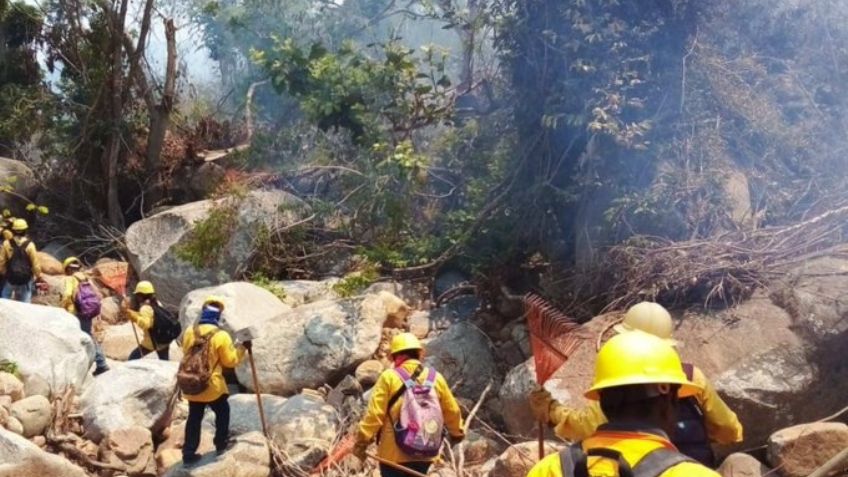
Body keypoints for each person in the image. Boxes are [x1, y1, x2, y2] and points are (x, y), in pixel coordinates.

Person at [529, 302, 742, 467]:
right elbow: (730, 430)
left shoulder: (621, 380)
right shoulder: (691, 376)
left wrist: (552, 411)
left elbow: (586, 425)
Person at [528, 331, 720, 477]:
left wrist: (550, 411)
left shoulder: (549, 469)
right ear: (668, 402)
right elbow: (731, 430)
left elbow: (579, 423)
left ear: (601, 401)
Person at [353, 333, 465, 477]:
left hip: (393, 455)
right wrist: (457, 434)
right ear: (419, 354)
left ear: (396, 357)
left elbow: (375, 415)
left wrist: (361, 442)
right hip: (426, 452)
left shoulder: (389, 377)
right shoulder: (436, 378)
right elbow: (452, 411)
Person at [180, 297, 249, 465]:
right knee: (222, 412)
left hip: (192, 383)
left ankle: (188, 454)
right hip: (212, 386)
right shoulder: (221, 336)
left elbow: (185, 352)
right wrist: (242, 349)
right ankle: (220, 445)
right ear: (218, 317)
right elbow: (230, 361)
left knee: (194, 417)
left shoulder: (190, 331)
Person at [61, 257, 109, 376]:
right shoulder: (86, 278)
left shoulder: (70, 279)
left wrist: (62, 308)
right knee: (88, 336)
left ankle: (101, 363)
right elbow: (97, 295)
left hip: (75, 313)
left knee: (77, 338)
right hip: (87, 312)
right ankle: (99, 363)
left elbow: (67, 294)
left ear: (67, 269)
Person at [121, 281, 170, 360]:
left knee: (132, 358)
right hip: (163, 339)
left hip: (152, 342)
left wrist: (135, 317)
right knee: (164, 361)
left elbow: (146, 323)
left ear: (141, 295)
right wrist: (133, 314)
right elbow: (151, 317)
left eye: (137, 295)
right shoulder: (157, 303)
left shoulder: (145, 308)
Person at [0, 218, 42, 302]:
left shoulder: (6, 243)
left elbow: (1, 262)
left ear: (13, 230)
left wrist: (5, 274)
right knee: (25, 304)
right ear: (25, 230)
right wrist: (38, 276)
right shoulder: (30, 245)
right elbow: (35, 264)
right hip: (25, 279)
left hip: (11, 278)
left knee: (4, 301)